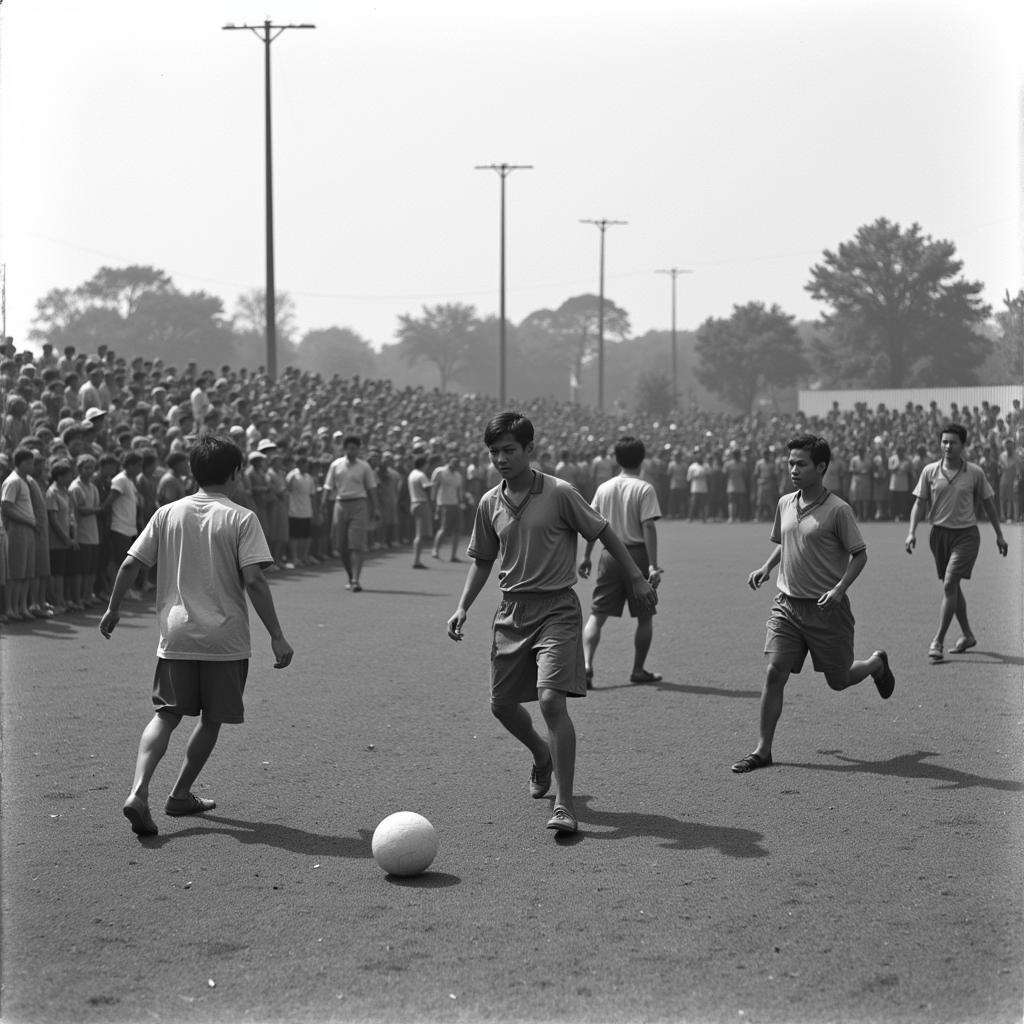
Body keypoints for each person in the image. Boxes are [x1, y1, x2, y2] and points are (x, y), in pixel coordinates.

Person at [446, 411, 658, 835]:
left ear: (530, 450)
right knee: (501, 706)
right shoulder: (490, 502)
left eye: (509, 450)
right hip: (511, 612)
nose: (501, 459)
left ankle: (564, 804)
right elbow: (483, 559)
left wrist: (636, 575)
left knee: (549, 700)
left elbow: (602, 532)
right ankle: (541, 755)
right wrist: (463, 605)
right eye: (494, 452)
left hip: (558, 610)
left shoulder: (561, 492)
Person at [100, 434, 293, 838]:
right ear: (237, 472)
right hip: (224, 638)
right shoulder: (241, 517)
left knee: (165, 714)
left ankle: (139, 790)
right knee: (213, 718)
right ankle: (180, 794)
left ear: (193, 471)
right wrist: (277, 634)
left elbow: (130, 563)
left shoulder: (167, 513)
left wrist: (113, 608)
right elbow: (255, 580)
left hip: (176, 634)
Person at [732, 434, 895, 775]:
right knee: (774, 672)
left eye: (800, 464)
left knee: (839, 681)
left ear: (820, 467)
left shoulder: (838, 510)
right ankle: (763, 750)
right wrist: (766, 567)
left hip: (826, 610)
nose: (793, 469)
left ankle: (876, 664)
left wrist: (839, 589)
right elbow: (788, 540)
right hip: (787, 606)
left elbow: (860, 555)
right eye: (790, 463)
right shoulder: (785, 503)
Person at [904, 423, 1008, 662]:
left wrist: (999, 535)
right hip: (939, 535)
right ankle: (968, 635)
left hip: (966, 536)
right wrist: (911, 532)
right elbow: (919, 503)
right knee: (953, 587)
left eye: (953, 442)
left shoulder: (975, 472)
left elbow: (988, 504)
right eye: (944, 442)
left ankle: (937, 641)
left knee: (950, 583)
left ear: (963, 445)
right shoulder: (930, 471)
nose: (948, 446)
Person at [579, 436, 663, 687]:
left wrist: (586, 556)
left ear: (616, 459)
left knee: (597, 614)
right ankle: (638, 669)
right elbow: (648, 525)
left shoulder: (604, 488)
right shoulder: (644, 488)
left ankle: (586, 665)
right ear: (642, 459)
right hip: (636, 554)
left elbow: (593, 523)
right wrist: (652, 565)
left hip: (609, 555)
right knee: (645, 616)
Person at [323, 435, 378, 591]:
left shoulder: (364, 466)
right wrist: (323, 505)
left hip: (359, 504)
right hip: (340, 504)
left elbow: (371, 488)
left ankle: (355, 579)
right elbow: (328, 486)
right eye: (350, 448)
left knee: (356, 545)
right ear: (345, 448)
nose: (352, 451)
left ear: (359, 449)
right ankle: (350, 575)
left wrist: (376, 508)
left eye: (355, 448)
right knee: (341, 546)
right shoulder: (336, 465)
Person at [430, 450, 465, 562]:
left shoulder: (458, 475)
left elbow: (459, 490)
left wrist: (461, 503)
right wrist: (434, 503)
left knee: (457, 530)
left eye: (457, 462)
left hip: (455, 504)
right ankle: (435, 550)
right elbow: (434, 487)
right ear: (448, 461)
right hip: (444, 503)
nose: (455, 464)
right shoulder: (440, 471)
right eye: (453, 461)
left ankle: (453, 555)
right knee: (444, 529)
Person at [407, 453, 433, 569]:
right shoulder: (421, 474)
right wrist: (434, 483)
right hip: (421, 503)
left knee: (419, 533)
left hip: (414, 502)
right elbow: (426, 487)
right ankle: (416, 561)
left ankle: (416, 560)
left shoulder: (412, 474)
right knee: (420, 535)